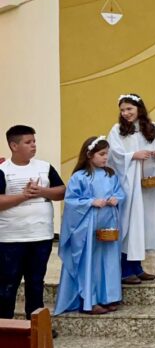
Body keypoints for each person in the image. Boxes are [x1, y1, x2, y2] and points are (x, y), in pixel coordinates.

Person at [0, 125, 65, 320]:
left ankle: (36, 326)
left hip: (41, 235)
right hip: (10, 238)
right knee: (7, 284)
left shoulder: (44, 167)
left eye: (34, 141)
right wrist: (24, 196)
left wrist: (42, 192)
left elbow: (62, 191)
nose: (33, 145)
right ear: (14, 145)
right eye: (28, 142)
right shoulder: (3, 170)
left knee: (36, 282)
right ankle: (6, 326)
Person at [55, 136, 125, 315]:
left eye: (106, 154)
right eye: (101, 154)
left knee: (108, 261)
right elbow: (71, 201)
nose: (105, 158)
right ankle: (90, 300)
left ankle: (107, 297)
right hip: (87, 226)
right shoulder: (80, 177)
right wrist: (91, 202)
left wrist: (117, 198)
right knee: (91, 262)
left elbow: (120, 192)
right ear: (89, 155)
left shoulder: (110, 174)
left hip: (108, 223)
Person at [107, 94, 155, 285]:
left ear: (139, 108)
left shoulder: (154, 128)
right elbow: (113, 154)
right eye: (122, 110)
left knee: (144, 225)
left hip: (150, 186)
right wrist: (133, 155)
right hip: (130, 185)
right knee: (130, 224)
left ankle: (137, 267)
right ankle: (125, 270)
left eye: (129, 109)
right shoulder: (117, 130)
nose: (125, 113)